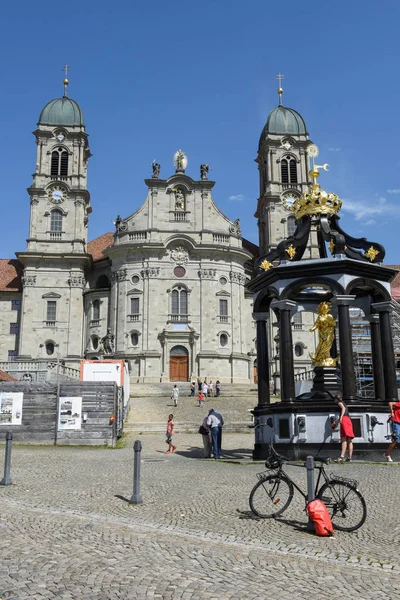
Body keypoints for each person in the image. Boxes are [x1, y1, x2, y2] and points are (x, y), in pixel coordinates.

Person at [333, 395, 354, 462]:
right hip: (348, 420)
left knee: (343, 438)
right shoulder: (344, 403)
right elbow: (345, 410)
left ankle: (341, 457)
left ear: (336, 399)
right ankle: (350, 457)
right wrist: (337, 422)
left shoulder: (339, 403)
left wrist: (341, 417)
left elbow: (343, 409)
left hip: (344, 420)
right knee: (349, 439)